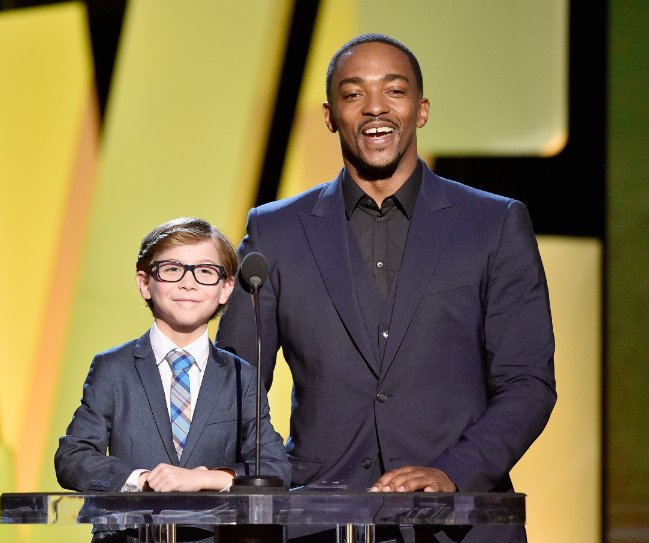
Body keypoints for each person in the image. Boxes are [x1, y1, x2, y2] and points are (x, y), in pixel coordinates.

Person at [215, 33, 557, 542]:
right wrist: (267, 479)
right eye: (354, 94)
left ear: (421, 110)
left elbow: (527, 382)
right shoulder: (276, 231)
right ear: (330, 115)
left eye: (394, 91)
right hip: (317, 523)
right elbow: (236, 385)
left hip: (459, 523)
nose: (376, 108)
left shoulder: (494, 222)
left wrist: (452, 474)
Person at [55, 217, 291, 541]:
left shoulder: (240, 377)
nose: (188, 283)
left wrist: (204, 478)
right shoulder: (112, 369)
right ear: (144, 282)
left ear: (226, 289)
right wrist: (141, 480)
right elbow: (73, 457)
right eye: (172, 269)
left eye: (205, 271)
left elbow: (275, 468)